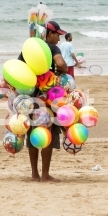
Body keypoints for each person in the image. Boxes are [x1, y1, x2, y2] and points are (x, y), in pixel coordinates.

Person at [18, 20, 68, 182]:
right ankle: (45, 175)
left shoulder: (29, 49)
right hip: (49, 98)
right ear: (49, 34)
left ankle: (34, 174)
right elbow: (61, 64)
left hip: (29, 97)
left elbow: (18, 69)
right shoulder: (52, 48)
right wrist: (62, 70)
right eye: (57, 35)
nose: (59, 39)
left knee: (32, 131)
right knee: (49, 131)